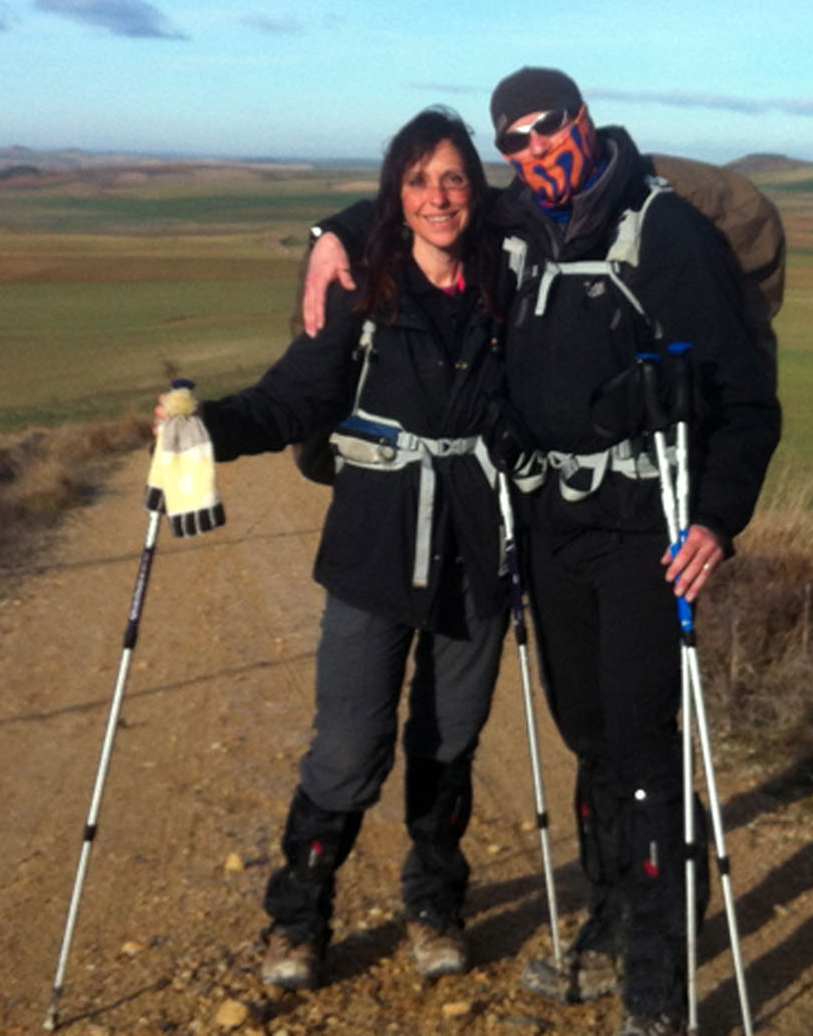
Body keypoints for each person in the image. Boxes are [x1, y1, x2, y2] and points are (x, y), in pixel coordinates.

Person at [306, 67, 781, 1036]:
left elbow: (745, 397)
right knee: (590, 733)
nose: (534, 151)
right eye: (513, 140)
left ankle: (657, 981)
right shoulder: (517, 224)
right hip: (551, 528)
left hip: (647, 529)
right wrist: (333, 235)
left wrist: (719, 518)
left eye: (547, 129)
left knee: (645, 751)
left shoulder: (668, 236)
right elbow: (419, 208)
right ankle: (611, 924)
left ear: (585, 120)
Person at [170, 106, 510, 992]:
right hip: (373, 550)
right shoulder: (362, 298)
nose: (439, 197)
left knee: (450, 741)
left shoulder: (510, 283)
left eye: (454, 179)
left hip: (478, 551)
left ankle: (434, 903)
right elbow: (288, 403)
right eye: (418, 180)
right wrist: (203, 430)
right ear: (395, 194)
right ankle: (299, 918)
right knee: (349, 747)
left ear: (476, 189)